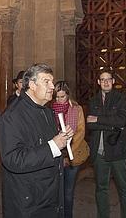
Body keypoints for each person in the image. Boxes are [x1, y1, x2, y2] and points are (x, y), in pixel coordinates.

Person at [0, 63, 74, 217]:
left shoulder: (47, 112)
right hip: (29, 202)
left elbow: (50, 145)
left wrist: (63, 140)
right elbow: (13, 159)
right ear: (32, 85)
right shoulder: (13, 116)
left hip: (50, 196)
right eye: (46, 81)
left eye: (52, 81)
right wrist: (53, 145)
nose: (52, 86)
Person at [87, 71, 126, 218]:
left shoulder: (121, 98)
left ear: (113, 81)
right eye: (102, 79)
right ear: (98, 82)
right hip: (99, 153)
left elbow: (121, 121)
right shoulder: (93, 100)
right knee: (101, 189)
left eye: (108, 79)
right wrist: (110, 123)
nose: (106, 82)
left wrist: (98, 119)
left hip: (118, 151)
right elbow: (90, 124)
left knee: (124, 189)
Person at [51, 81, 89, 218]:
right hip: (55, 155)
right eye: (57, 97)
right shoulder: (50, 109)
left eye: (62, 97)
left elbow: (80, 132)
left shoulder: (76, 109)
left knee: (67, 192)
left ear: (68, 95)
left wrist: (68, 154)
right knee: (55, 192)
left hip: (73, 155)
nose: (59, 100)